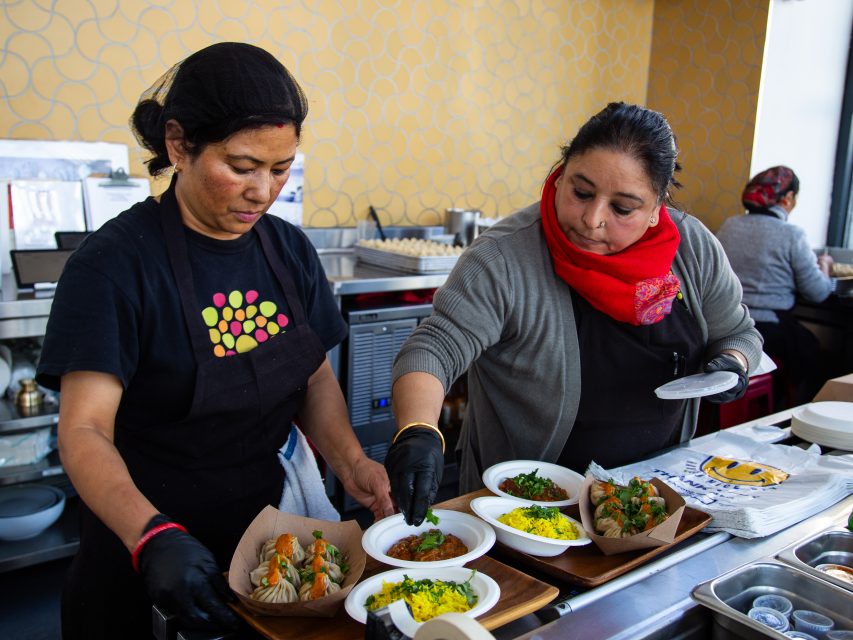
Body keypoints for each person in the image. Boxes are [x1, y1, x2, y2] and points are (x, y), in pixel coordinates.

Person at [36, 42, 393, 639]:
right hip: (149, 551)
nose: (264, 191)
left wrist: (351, 460)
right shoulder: (114, 265)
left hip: (268, 553)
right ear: (178, 145)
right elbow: (83, 430)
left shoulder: (288, 251)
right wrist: (151, 537)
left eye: (281, 169)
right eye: (243, 166)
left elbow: (313, 377)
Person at [384, 102, 763, 526]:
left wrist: (732, 364)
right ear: (560, 173)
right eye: (580, 192)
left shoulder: (691, 248)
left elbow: (739, 333)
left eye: (622, 208)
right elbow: (435, 348)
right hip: (529, 513)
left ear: (657, 208)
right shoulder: (505, 258)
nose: (591, 219)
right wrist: (417, 429)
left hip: (650, 502)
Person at [716, 166, 834, 408]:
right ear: (788, 198)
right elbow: (818, 291)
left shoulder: (730, 225)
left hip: (729, 324)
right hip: (770, 329)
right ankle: (793, 412)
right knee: (817, 358)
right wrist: (825, 267)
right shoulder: (792, 234)